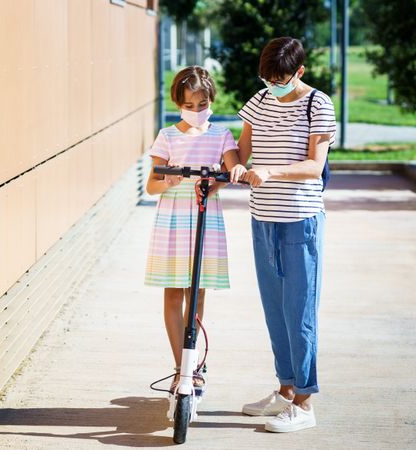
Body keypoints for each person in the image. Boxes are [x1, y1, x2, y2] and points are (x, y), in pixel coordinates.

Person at [237, 37, 336, 432]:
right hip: (262, 218)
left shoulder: (318, 104)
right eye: (266, 78)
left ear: (300, 72)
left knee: (300, 314)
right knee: (275, 311)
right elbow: (242, 150)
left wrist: (271, 172)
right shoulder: (259, 102)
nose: (272, 86)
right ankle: (284, 390)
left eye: (280, 79)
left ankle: (305, 403)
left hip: (300, 220)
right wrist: (232, 165)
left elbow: (315, 166)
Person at [144, 65, 246, 392]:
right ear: (178, 103)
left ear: (210, 101)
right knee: (173, 293)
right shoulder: (168, 136)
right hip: (173, 220)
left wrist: (218, 182)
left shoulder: (221, 135)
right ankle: (180, 367)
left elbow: (232, 169)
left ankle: (195, 365)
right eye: (189, 105)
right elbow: (151, 185)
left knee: (196, 293)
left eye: (202, 105)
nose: (197, 111)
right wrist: (169, 179)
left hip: (205, 215)